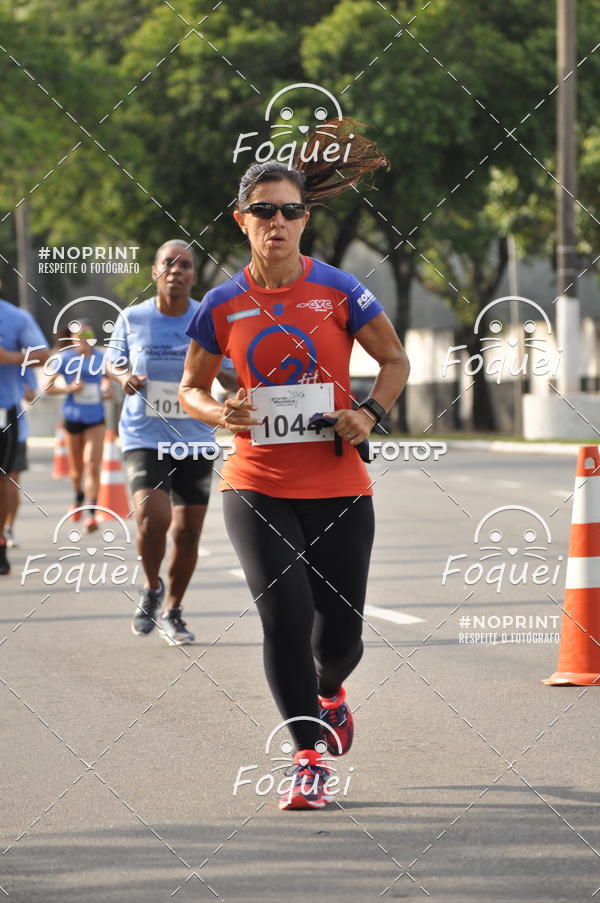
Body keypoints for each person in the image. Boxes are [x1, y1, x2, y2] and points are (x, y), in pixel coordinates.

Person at [180, 126, 410, 809]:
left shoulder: (339, 290)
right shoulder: (220, 304)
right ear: (241, 220)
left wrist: (369, 412)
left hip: (339, 482)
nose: (276, 222)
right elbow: (192, 388)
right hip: (256, 483)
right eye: (263, 211)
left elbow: (395, 360)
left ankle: (331, 692)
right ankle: (306, 756)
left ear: (305, 219)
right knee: (285, 613)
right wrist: (220, 414)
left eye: (288, 211)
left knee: (338, 639)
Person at [106, 240, 237, 646]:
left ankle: (174, 610)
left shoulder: (208, 317)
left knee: (188, 533)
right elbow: (113, 359)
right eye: (168, 264)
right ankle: (151, 586)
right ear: (155, 271)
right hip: (144, 434)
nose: (176, 271)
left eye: (185, 266)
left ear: (194, 276)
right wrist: (123, 376)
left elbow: (230, 371)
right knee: (153, 518)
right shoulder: (133, 317)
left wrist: (236, 389)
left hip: (196, 438)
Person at [41, 320, 112, 533]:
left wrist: (107, 388)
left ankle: (91, 513)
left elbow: (108, 379)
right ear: (71, 339)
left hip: (96, 418)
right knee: (76, 471)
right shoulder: (64, 359)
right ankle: (78, 497)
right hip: (73, 418)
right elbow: (47, 387)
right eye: (77, 335)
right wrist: (70, 388)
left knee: (92, 463)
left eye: (86, 334)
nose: (82, 338)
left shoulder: (101, 358)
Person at [0, 295, 51, 575]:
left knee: (7, 480)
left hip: (4, 411)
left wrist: (8, 357)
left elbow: (43, 355)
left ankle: (3, 536)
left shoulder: (15, 317)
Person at [4, 365, 38, 548]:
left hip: (15, 432)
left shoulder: (21, 364)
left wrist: (21, 390)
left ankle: (8, 527)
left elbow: (31, 394)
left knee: (12, 483)